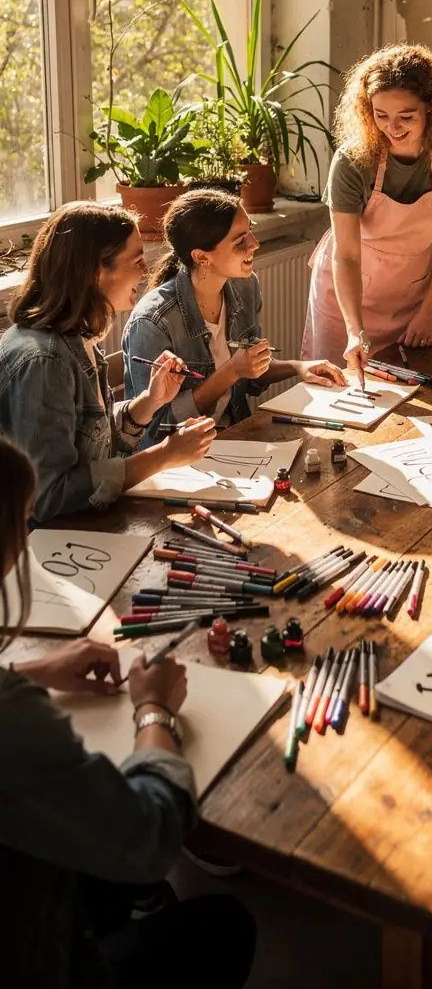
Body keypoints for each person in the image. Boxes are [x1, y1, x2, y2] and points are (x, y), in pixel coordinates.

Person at [0, 436, 255, 988]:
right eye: (23, 524)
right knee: (226, 924)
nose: (29, 542)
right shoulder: (14, 721)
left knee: (95, 870)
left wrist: (28, 673)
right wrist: (154, 710)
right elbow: (152, 836)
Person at [0, 203, 217, 524]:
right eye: (137, 260)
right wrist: (164, 455)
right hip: (40, 549)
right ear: (96, 274)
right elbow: (48, 497)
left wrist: (148, 403)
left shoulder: (78, 338)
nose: (146, 270)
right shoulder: (44, 361)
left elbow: (87, 445)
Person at [301, 43, 432, 378]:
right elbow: (347, 256)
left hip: (417, 292)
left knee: (415, 391)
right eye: (381, 115)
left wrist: (429, 311)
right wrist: (354, 331)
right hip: (347, 294)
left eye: (406, 116)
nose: (393, 128)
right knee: (340, 393)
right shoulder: (353, 160)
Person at [123, 189, 345, 445]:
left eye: (250, 231)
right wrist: (230, 372)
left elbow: (250, 372)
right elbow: (153, 427)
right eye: (240, 241)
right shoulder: (153, 322)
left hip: (234, 438)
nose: (255, 244)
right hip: (176, 458)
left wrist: (297, 367)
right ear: (201, 257)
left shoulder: (245, 287)